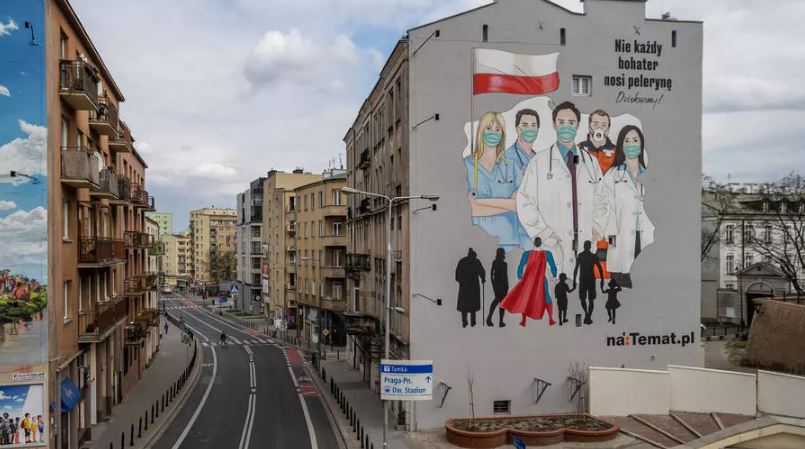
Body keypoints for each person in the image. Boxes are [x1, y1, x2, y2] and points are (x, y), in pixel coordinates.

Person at [516, 101, 610, 277]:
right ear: (554, 124)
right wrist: (546, 234)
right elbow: (524, 201)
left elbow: (602, 199)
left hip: (585, 243)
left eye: (571, 122)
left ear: (577, 125)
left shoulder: (590, 162)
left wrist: (596, 229)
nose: (566, 127)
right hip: (554, 244)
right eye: (561, 122)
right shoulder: (539, 162)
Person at [464, 111, 527, 251]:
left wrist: (479, 203)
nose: (494, 133)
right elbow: (469, 210)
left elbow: (520, 206)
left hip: (509, 241)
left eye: (498, 129)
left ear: (503, 134)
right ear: (481, 131)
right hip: (478, 240)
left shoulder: (511, 165)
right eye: (489, 128)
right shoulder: (468, 165)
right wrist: (507, 204)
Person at [603, 125, 654, 289]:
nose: (631, 144)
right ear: (621, 145)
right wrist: (611, 242)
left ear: (641, 144)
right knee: (622, 293)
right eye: (627, 141)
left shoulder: (651, 175)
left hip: (647, 240)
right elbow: (605, 209)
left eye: (635, 140)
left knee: (646, 290)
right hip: (620, 241)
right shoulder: (612, 176)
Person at [500, 237, 557, 327]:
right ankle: (525, 320)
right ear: (539, 243)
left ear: (534, 243)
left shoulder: (539, 254)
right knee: (529, 297)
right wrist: (554, 275)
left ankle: (549, 318)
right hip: (530, 280)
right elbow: (552, 265)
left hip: (537, 279)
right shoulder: (541, 253)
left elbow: (521, 265)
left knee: (539, 297)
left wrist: (519, 277)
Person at [573, 241, 605, 325]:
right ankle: (588, 316)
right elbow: (600, 268)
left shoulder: (583, 256)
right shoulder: (591, 256)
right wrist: (602, 279)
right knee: (588, 299)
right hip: (588, 280)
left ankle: (587, 315)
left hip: (585, 280)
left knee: (587, 299)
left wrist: (574, 281)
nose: (586, 246)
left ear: (586, 246)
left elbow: (576, 269)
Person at [454, 248, 486, 328]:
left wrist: (482, 278)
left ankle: (469, 322)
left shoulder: (464, 261)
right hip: (469, 286)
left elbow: (481, 271)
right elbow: (482, 271)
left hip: (468, 286)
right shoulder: (472, 261)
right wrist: (483, 278)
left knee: (468, 306)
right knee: (470, 306)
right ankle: (469, 322)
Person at [578, 109, 617, 174]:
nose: (599, 128)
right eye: (595, 124)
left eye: (603, 125)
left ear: (608, 129)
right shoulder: (578, 148)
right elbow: (574, 168)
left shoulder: (617, 152)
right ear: (589, 126)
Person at [486, 248, 508, 327]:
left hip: (501, 285)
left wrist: (494, 284)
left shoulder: (503, 264)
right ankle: (492, 319)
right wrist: (493, 284)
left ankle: (499, 321)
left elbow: (505, 276)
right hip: (499, 285)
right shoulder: (496, 263)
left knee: (500, 302)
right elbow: (492, 274)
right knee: (499, 301)